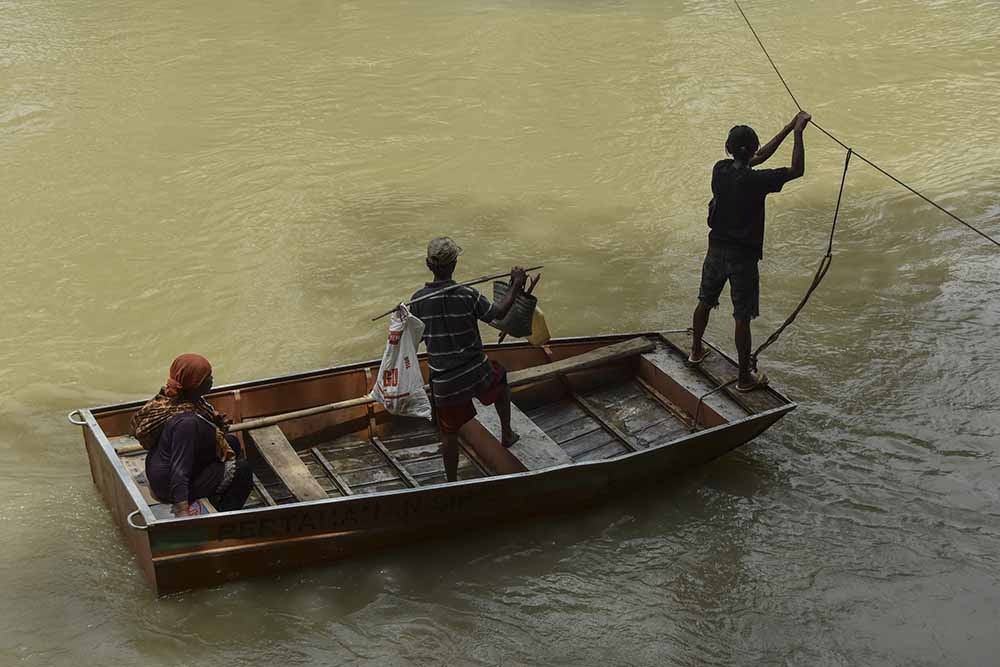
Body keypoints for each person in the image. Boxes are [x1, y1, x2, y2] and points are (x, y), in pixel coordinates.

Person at [689, 110, 811, 391]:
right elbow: (796, 170)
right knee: (742, 317)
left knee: (705, 301)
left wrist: (788, 126)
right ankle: (744, 379)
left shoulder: (720, 170)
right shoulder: (758, 181)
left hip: (716, 250)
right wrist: (797, 133)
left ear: (727, 149)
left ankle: (695, 351)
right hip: (743, 258)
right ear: (753, 149)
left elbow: (757, 157)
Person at [409, 237, 527, 482]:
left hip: (445, 383)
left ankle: (451, 482)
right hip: (476, 373)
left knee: (448, 433)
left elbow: (412, 339)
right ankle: (507, 434)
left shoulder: (418, 301)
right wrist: (516, 285)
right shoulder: (468, 294)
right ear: (455, 264)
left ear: (428, 265)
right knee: (500, 379)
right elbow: (498, 314)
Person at [130, 353, 253, 516]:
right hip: (168, 486)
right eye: (207, 377)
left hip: (162, 466)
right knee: (243, 470)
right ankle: (223, 516)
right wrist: (182, 509)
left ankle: (214, 490)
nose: (211, 380)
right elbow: (180, 469)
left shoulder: (173, 400)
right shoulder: (187, 423)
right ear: (196, 385)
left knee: (232, 442)